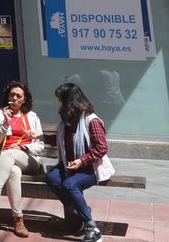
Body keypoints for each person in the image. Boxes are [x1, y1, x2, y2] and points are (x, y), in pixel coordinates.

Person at [44, 82, 115, 241]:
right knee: (51, 177)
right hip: (70, 165)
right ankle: (80, 210)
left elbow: (101, 148)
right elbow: (62, 140)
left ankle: (92, 229)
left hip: (91, 168)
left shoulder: (91, 120)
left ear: (70, 101)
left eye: (61, 99)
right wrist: (41, 138)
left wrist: (82, 161)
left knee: (70, 185)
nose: (59, 102)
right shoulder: (67, 120)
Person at [0, 81, 45, 236]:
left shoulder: (32, 117)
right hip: (0, 156)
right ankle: (18, 219)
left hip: (28, 158)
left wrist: (23, 147)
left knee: (10, 153)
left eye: (18, 96)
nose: (14, 98)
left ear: (24, 99)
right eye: (12, 95)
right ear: (7, 97)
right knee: (14, 171)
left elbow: (40, 144)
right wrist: (5, 123)